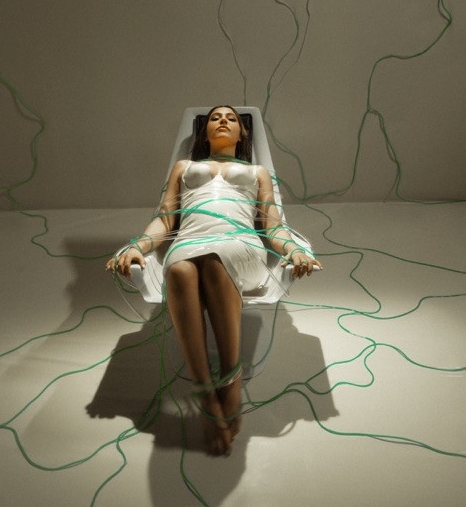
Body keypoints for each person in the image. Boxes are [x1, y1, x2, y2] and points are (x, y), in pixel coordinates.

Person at [106, 106, 321, 456]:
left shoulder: (257, 172)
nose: (223, 120)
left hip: (241, 247)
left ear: (243, 134)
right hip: (188, 242)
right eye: (215, 117)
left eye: (232, 118)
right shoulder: (184, 168)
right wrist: (137, 247)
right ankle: (206, 392)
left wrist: (294, 250)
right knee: (179, 271)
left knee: (214, 263)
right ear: (204, 132)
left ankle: (230, 380)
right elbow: (165, 220)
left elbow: (273, 225)